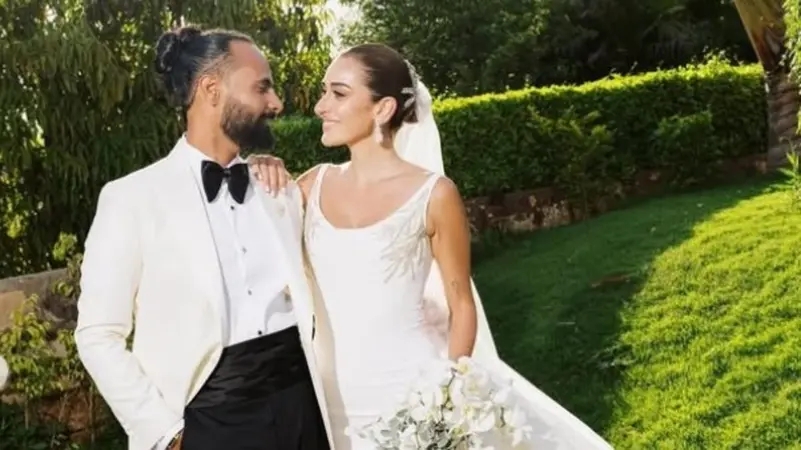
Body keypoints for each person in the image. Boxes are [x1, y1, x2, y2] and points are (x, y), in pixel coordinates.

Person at [250, 43, 615, 449]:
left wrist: (446, 402)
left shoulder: (434, 195)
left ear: (383, 109)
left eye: (338, 93)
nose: (321, 106)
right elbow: (256, 241)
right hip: (330, 400)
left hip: (410, 397)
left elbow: (461, 304)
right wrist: (260, 166)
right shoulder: (311, 186)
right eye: (324, 92)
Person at [73, 26, 332, 450]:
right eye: (262, 88)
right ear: (211, 90)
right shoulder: (132, 199)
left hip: (303, 409)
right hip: (208, 424)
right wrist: (166, 433)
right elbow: (98, 334)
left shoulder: (279, 189)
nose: (276, 103)